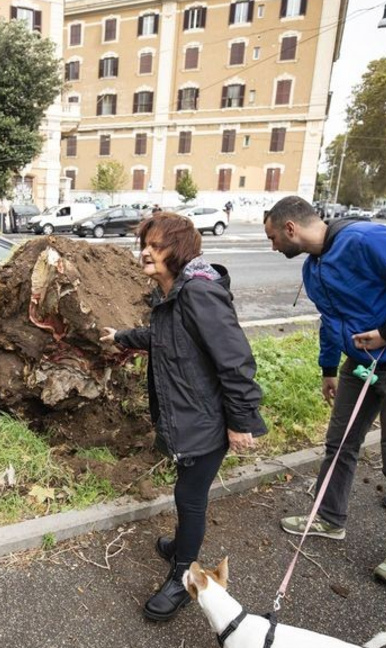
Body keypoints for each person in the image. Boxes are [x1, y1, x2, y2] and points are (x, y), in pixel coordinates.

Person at [262, 196, 386, 586]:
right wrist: (329, 368)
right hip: (360, 364)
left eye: (272, 238)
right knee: (340, 443)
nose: (272, 247)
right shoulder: (314, 270)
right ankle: (330, 519)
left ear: (290, 229)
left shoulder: (366, 240)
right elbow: (331, 321)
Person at [100, 212, 267, 622]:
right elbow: (164, 337)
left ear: (179, 251)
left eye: (155, 246)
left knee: (190, 497)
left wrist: (241, 421)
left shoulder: (199, 293)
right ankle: (181, 548)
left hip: (206, 419)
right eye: (144, 243)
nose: (145, 252)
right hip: (190, 417)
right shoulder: (172, 293)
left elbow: (236, 360)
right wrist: (121, 337)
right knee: (186, 490)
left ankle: (183, 575)